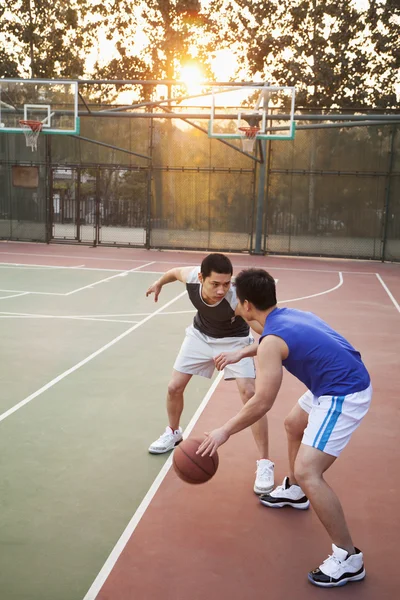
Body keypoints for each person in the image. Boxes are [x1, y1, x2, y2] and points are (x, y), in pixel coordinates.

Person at [198, 268, 372, 588]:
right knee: (293, 424)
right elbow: (271, 340)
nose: (232, 300)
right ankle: (295, 492)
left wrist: (223, 431)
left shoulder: (271, 340)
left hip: (343, 392)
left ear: (248, 305)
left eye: (237, 297)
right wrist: (242, 351)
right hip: (334, 380)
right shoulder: (287, 315)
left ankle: (349, 557)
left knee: (309, 470)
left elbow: (262, 402)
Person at [146, 253, 274, 494]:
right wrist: (158, 284)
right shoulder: (191, 277)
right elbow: (174, 272)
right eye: (215, 284)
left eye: (226, 283)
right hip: (200, 336)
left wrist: (247, 351)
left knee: (250, 394)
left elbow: (269, 333)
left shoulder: (236, 300)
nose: (221, 290)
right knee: (174, 387)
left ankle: (265, 462)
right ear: (202, 277)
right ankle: (173, 433)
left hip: (235, 341)